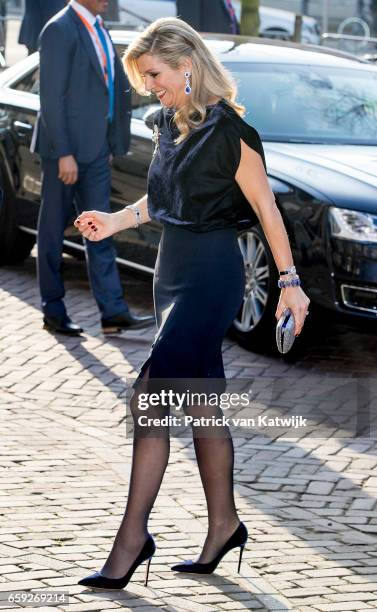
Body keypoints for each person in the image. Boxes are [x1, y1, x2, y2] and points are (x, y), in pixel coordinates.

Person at [74, 17, 310, 589]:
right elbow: (159, 201)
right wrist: (113, 220)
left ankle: (132, 539)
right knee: (202, 402)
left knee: (150, 394)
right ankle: (224, 525)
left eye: (154, 74)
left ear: (187, 65)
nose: (150, 86)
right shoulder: (166, 125)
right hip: (170, 272)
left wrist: (289, 283)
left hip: (211, 274)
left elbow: (267, 213)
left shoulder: (233, 134)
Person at [32, 0, 154, 336]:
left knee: (102, 229)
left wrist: (111, 145)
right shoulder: (59, 29)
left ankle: (113, 313)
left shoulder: (99, 28)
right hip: (65, 155)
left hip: (98, 152)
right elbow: (51, 98)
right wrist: (64, 154)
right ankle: (53, 311)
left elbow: (109, 89)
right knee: (53, 233)